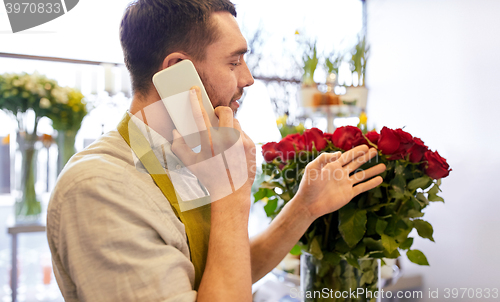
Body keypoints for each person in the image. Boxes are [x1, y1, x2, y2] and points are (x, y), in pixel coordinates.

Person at [46, 0, 386, 301]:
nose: (249, 79)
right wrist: (232, 194)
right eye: (234, 62)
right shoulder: (99, 188)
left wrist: (304, 207)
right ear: (177, 70)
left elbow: (220, 274)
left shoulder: (179, 155)